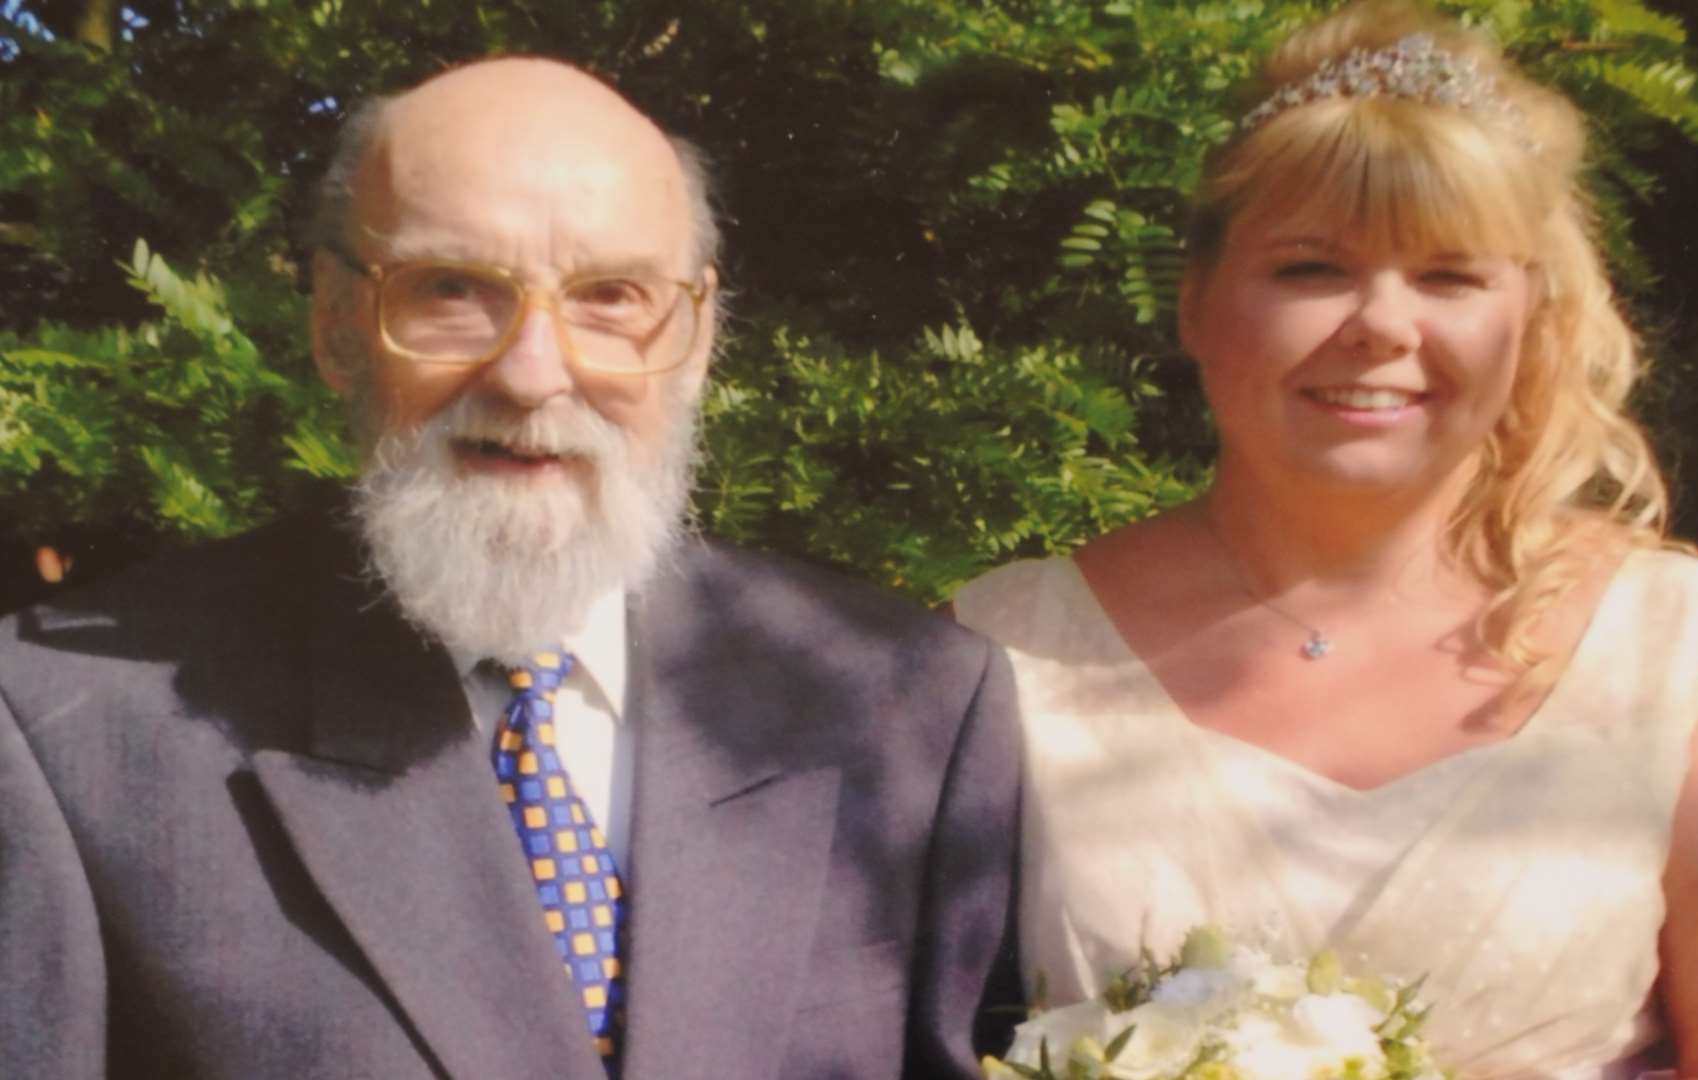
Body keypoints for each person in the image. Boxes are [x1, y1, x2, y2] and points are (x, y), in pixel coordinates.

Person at [0, 58, 1021, 1080]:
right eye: (451, 290)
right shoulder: (67, 736)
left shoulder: (906, 703)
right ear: (334, 324)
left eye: (611, 296)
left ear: (700, 334)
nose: (533, 373)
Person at [954, 2, 1698, 1076]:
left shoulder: (1687, 656)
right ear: (1196, 303)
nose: (1383, 324)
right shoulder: (1000, 653)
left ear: (1530, 318)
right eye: (1311, 269)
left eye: (1449, 276)